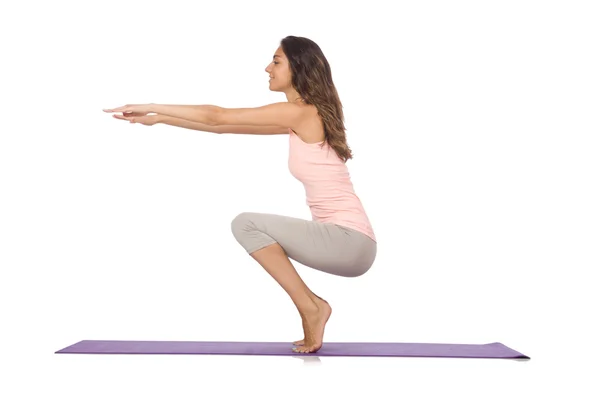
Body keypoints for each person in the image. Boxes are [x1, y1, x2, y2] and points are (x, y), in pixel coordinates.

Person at [103, 36, 377, 354]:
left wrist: (151, 104)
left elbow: (218, 115)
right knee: (247, 224)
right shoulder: (303, 117)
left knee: (246, 224)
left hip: (347, 241)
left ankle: (312, 307)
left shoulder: (301, 113)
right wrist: (162, 119)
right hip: (353, 245)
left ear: (298, 67)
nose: (267, 68)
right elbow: (222, 127)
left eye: (276, 61)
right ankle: (311, 307)